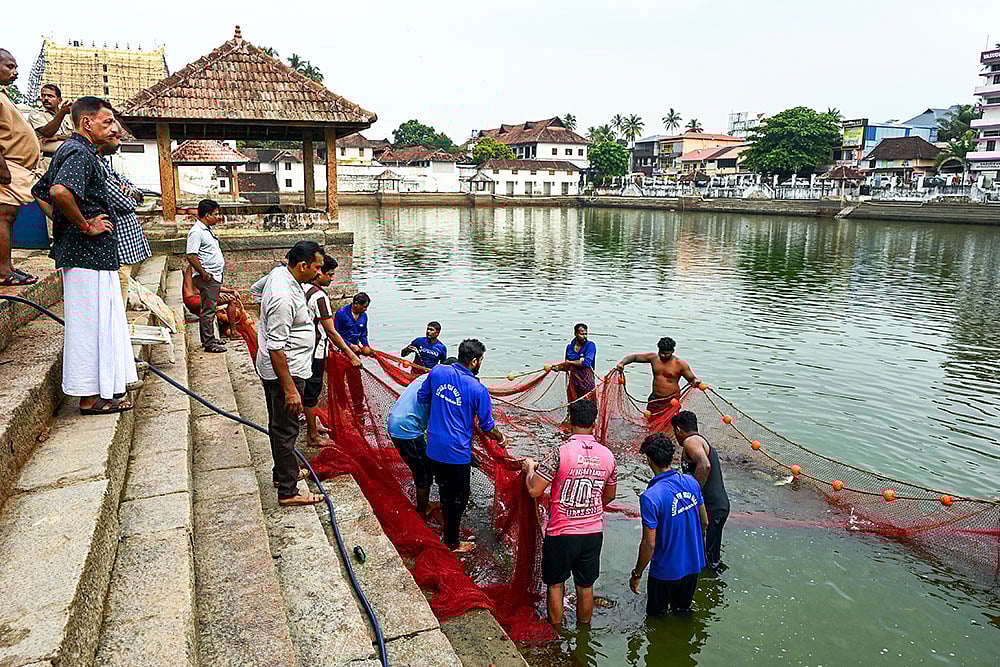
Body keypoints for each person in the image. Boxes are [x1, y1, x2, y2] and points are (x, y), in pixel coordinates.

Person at [31, 96, 136, 413]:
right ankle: (90, 398)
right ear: (86, 122)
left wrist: (64, 224)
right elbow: (58, 192)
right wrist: (84, 226)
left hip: (88, 255)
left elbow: (40, 192)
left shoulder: (76, 150)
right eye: (107, 122)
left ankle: (102, 390)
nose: (113, 128)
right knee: (90, 326)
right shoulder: (80, 153)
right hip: (86, 253)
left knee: (97, 323)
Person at [522, 398, 617, 628]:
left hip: (561, 533)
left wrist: (530, 469)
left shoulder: (558, 453)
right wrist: (590, 509)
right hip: (593, 533)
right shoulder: (608, 456)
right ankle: (584, 630)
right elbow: (610, 495)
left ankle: (555, 632)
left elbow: (534, 489)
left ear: (569, 423)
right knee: (585, 586)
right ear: (594, 423)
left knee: (556, 584)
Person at [255, 240, 326, 506]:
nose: (319, 273)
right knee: (286, 429)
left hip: (290, 367)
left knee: (280, 425)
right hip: (285, 371)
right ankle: (288, 491)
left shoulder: (279, 274)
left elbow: (255, 290)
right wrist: (289, 388)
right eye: (316, 268)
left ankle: (283, 472)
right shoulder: (283, 298)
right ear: (302, 265)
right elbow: (276, 348)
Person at [417, 338, 504, 552]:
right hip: (456, 454)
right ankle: (452, 543)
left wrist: (444, 408)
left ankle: (447, 532)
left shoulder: (437, 371)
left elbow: (422, 397)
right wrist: (501, 438)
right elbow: (487, 427)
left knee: (445, 491)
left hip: (434, 448)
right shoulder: (478, 389)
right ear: (474, 361)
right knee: (460, 498)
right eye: (481, 359)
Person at [629, 433, 708, 616]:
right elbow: (704, 521)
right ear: (671, 457)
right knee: (683, 612)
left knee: (656, 618)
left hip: (665, 570)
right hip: (693, 564)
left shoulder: (650, 497)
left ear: (649, 460)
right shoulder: (691, 482)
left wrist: (637, 573)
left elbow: (649, 543)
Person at [387, 356, 458, 518]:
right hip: (406, 430)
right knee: (424, 473)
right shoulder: (438, 387)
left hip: (397, 423)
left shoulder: (425, 377)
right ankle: (422, 512)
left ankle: (424, 503)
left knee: (422, 464)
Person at [303, 254, 362, 445]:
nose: (332, 278)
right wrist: (351, 354)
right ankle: (313, 436)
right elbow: (331, 331)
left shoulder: (301, 288)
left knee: (308, 390)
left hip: (302, 349)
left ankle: (314, 423)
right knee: (313, 391)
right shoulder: (319, 296)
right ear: (318, 273)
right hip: (314, 351)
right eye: (330, 274)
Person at [0, 49, 43, 286]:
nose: (15, 72)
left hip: (17, 166)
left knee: (8, 216)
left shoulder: (4, 96)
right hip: (7, 166)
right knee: (3, 216)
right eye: (9, 66)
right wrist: (2, 168)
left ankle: (7, 267)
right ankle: (3, 271)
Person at [98, 123, 151, 306]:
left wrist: (132, 193)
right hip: (118, 241)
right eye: (116, 137)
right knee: (120, 283)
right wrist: (131, 195)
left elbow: (138, 193)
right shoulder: (98, 167)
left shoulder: (107, 164)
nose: (119, 142)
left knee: (124, 281)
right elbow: (126, 203)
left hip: (125, 242)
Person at [672, 410, 730, 570]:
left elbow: (705, 465)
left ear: (678, 430)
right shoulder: (699, 440)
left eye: (674, 433)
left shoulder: (691, 442)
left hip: (712, 508)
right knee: (704, 553)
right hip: (714, 507)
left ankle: (712, 584)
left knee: (709, 560)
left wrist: (691, 496)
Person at [615, 336, 701, 416]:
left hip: (671, 400)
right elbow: (634, 357)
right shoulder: (653, 358)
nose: (663, 355)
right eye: (661, 352)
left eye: (666, 353)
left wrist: (696, 381)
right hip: (654, 398)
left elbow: (692, 379)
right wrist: (622, 363)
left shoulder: (680, 364)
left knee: (669, 424)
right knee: (650, 420)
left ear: (672, 351)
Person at [186, 199, 230, 353]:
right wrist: (204, 273)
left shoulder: (206, 230)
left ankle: (210, 337)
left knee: (211, 308)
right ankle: (209, 342)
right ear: (206, 215)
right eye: (215, 214)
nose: (218, 217)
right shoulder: (196, 232)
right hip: (208, 277)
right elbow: (191, 255)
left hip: (214, 276)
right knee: (208, 310)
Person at [334, 292, 372, 412]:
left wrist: (366, 345)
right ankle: (341, 405)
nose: (365, 309)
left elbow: (363, 334)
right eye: (364, 306)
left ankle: (358, 404)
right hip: (339, 352)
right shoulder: (341, 314)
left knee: (355, 379)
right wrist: (350, 345)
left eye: (367, 307)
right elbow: (335, 334)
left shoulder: (364, 316)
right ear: (355, 304)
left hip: (355, 353)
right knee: (338, 380)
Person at [27, 83, 74, 170]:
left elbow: (76, 136)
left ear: (59, 100)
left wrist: (57, 137)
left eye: (50, 96)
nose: (45, 99)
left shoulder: (68, 116)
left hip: (68, 160)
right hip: (47, 161)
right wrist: (62, 113)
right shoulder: (36, 113)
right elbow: (47, 132)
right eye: (43, 96)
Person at [558, 323, 597, 403]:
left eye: (586, 334)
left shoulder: (590, 346)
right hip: (573, 383)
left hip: (587, 383)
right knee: (572, 407)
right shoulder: (569, 348)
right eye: (582, 334)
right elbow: (567, 366)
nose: (584, 336)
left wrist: (570, 362)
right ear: (575, 334)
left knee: (588, 407)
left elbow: (586, 363)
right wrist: (557, 367)